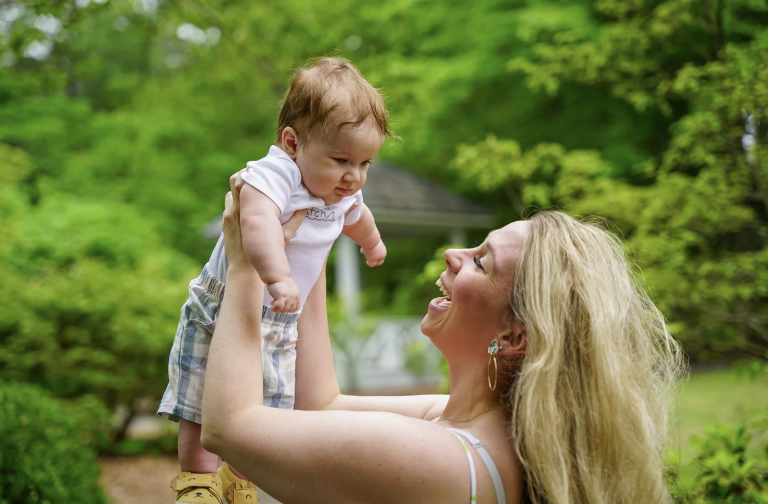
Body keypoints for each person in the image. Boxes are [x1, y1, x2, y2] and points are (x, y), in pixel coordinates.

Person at [199, 175, 686, 504]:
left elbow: (229, 428)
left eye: (481, 262)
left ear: (514, 334)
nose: (455, 253)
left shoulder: (440, 457)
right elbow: (320, 403)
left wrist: (247, 265)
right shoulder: (472, 425)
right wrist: (314, 233)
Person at [158, 57, 396, 503]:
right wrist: (278, 277)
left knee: (265, 412)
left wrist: (372, 244)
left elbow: (357, 216)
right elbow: (257, 222)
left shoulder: (341, 190)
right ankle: (197, 481)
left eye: (365, 163)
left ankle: (239, 481)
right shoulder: (277, 173)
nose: (354, 176)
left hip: (280, 322)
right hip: (225, 305)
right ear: (292, 141)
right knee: (200, 403)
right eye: (342, 159)